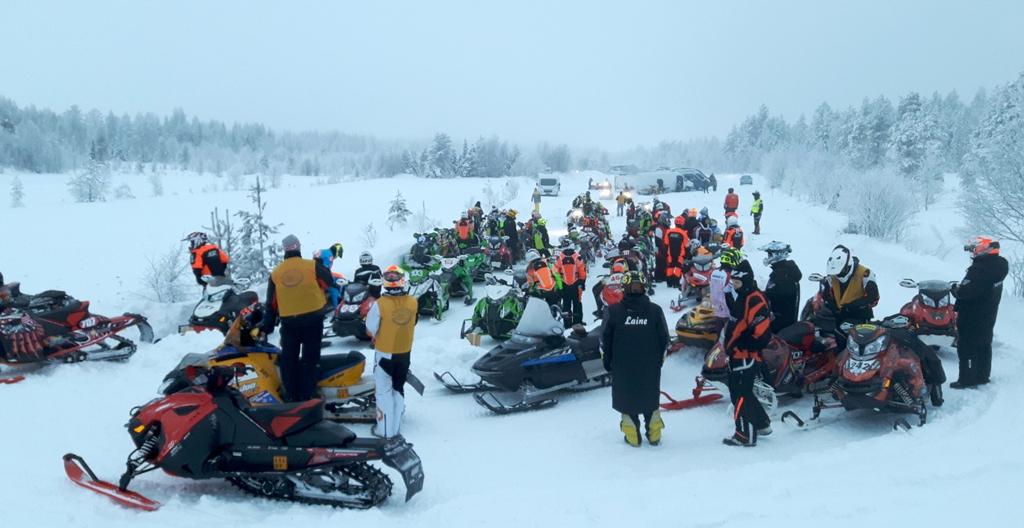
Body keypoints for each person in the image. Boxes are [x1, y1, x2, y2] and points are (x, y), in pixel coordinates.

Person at [601, 270, 669, 447]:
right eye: (634, 286)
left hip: (624, 368)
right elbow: (665, 340)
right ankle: (654, 435)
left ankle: (633, 437)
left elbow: (604, 341)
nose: (636, 289)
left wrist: (607, 363)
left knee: (627, 401)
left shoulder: (613, 311)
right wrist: (659, 362)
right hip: (648, 367)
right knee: (650, 400)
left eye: (638, 286)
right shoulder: (655, 311)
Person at [262, 235, 333, 402]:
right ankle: (308, 394)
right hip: (313, 319)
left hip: (289, 323)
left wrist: (267, 327)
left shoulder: (276, 273)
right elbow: (328, 281)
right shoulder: (312, 265)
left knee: (289, 359)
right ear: (298, 247)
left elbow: (271, 303)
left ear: (284, 250)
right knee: (310, 357)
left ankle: (292, 395)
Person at [720, 258, 772, 447]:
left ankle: (745, 435)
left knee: (740, 394)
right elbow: (737, 321)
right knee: (742, 392)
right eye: (733, 282)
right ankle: (762, 423)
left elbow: (762, 330)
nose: (734, 286)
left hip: (746, 355)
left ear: (747, 280)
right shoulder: (742, 296)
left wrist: (745, 344)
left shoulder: (755, 298)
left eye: (737, 282)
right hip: (737, 353)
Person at [366, 265, 418, 438]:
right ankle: (396, 428)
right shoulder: (413, 302)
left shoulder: (379, 305)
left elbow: (370, 328)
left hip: (385, 354)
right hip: (405, 352)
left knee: (383, 392)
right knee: (398, 388)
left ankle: (385, 431)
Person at [951, 236, 1008, 388]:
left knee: (966, 347)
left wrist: (955, 290)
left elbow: (965, 292)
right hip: (988, 313)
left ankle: (966, 379)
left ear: (984, 248)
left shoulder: (980, 269)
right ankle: (982, 376)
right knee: (984, 344)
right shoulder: (999, 266)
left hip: (972, 315)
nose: (973, 252)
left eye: (974, 248)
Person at [822, 245, 879, 326]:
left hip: (859, 316)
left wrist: (855, 305)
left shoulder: (865, 274)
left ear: (848, 266)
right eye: (836, 274)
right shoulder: (833, 275)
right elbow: (827, 295)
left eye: (840, 272)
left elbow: (873, 297)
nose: (838, 276)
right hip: (839, 315)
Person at [760, 242, 801, 332]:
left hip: (779, 323)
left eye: (770, 254)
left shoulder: (781, 275)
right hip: (785, 320)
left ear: (778, 255)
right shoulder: (787, 271)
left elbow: (769, 296)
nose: (768, 257)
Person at [554, 240, 587, 326]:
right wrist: (582, 282)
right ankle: (577, 322)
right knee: (577, 304)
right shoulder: (577, 257)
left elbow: (556, 273)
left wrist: (559, 286)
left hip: (564, 285)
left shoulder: (560, 258)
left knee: (566, 305)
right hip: (575, 284)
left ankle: (568, 324)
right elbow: (582, 272)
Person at [314, 242, 345, 308]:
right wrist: (333, 283)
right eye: (338, 255)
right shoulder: (329, 256)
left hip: (315, 275)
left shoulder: (324, 251)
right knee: (335, 287)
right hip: (320, 277)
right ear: (337, 251)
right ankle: (336, 308)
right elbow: (324, 272)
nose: (336, 257)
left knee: (339, 276)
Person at [663, 216, 690, 289]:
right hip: (680, 254)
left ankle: (669, 282)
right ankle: (676, 282)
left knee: (670, 267)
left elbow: (665, 243)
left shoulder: (669, 231)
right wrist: (688, 254)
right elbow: (686, 245)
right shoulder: (683, 233)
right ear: (682, 223)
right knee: (678, 267)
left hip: (670, 254)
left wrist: (665, 252)